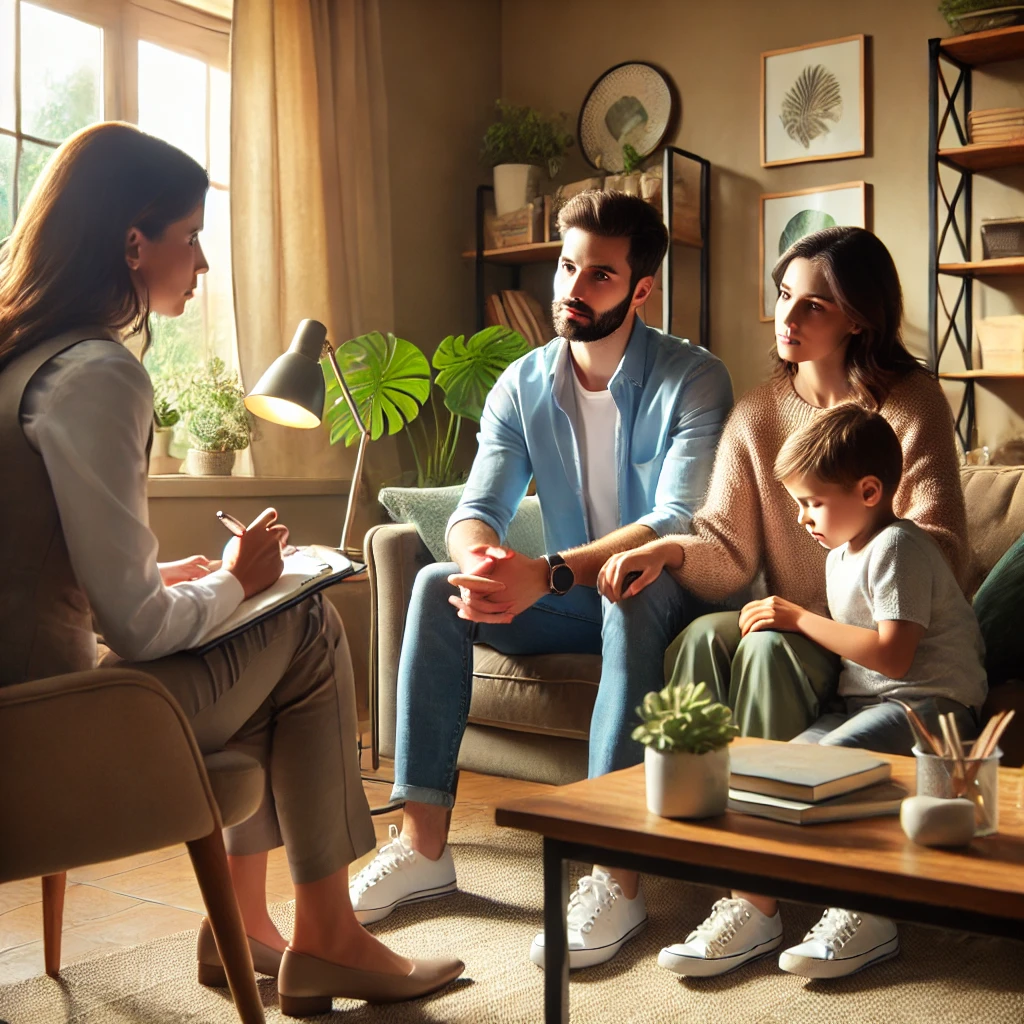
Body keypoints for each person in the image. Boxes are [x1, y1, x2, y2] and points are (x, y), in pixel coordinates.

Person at [0, 121, 462, 1015]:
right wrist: (244, 581)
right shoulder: (96, 372)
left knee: (260, 626)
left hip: (20, 705)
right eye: (190, 237)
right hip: (52, 734)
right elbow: (135, 630)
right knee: (306, 621)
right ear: (134, 243)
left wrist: (177, 575)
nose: (203, 262)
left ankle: (244, 926)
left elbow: (45, 576)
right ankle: (327, 937)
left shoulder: (21, 360)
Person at [349, 189, 734, 970]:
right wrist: (480, 558)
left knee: (630, 582)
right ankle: (425, 846)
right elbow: (477, 506)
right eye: (566, 267)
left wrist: (550, 572)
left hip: (668, 591)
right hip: (567, 597)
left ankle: (613, 877)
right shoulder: (523, 383)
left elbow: (677, 520)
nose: (571, 288)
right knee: (435, 588)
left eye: (599, 275)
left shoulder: (694, 379)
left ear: (640, 289)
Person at [599, 226, 971, 979]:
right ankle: (684, 856)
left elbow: (941, 548)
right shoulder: (757, 411)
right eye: (782, 297)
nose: (786, 318)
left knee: (767, 642)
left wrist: (827, 602)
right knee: (707, 636)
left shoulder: (909, 402)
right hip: (795, 617)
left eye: (813, 305)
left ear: (859, 317)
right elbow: (727, 545)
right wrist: (665, 549)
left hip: (861, 635)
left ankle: (761, 894)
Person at [658, 404, 986, 979]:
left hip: (935, 706)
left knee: (828, 765)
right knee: (780, 765)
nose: (804, 517)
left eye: (812, 502)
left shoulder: (897, 548)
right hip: (872, 703)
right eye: (798, 503)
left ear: (867, 491)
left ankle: (868, 914)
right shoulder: (840, 555)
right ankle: (756, 909)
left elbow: (893, 654)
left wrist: (798, 618)